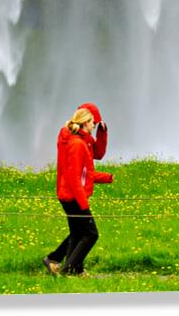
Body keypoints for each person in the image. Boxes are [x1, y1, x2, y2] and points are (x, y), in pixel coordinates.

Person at [43, 102, 113, 277]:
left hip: (70, 194)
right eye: (94, 123)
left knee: (77, 233)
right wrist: (83, 203)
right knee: (90, 234)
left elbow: (95, 158)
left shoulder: (82, 140)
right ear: (85, 122)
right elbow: (75, 176)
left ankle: (65, 265)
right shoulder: (76, 143)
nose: (95, 126)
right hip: (72, 195)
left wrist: (102, 134)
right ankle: (70, 269)